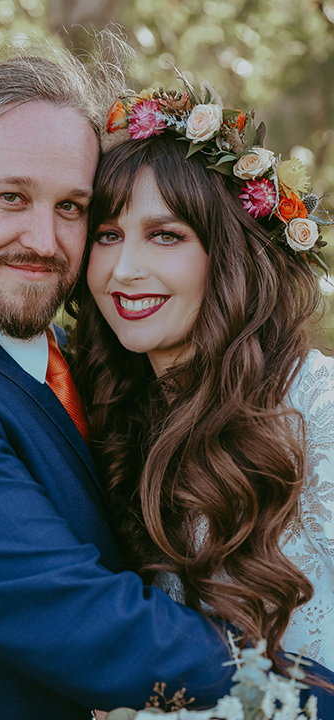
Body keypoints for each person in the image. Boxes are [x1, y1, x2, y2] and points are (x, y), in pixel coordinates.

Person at [0, 45, 295, 720]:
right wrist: (306, 694)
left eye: (72, 207)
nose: (44, 239)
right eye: (10, 197)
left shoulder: (81, 360)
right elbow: (83, 620)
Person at [71, 73, 334, 691]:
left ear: (229, 255)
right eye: (107, 236)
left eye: (166, 236)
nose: (124, 270)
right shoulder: (110, 415)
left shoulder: (318, 408)